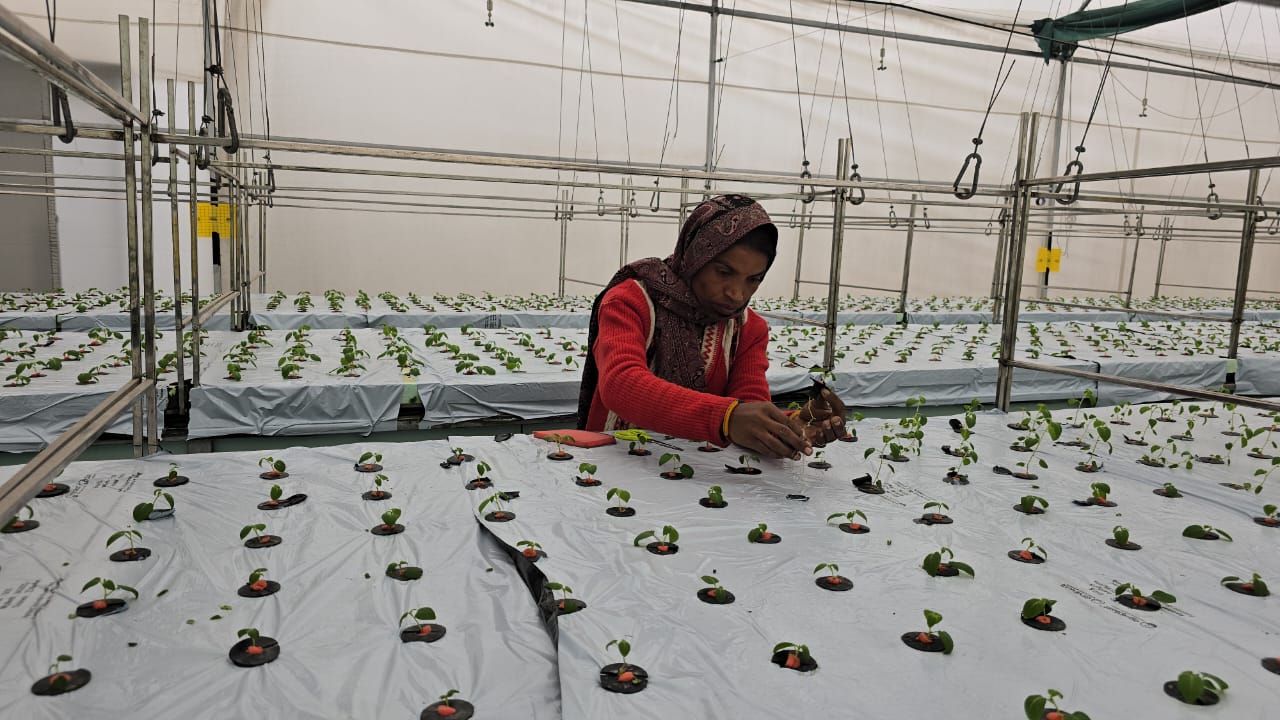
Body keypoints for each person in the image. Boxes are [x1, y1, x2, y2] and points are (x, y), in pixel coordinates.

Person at [577, 194, 845, 460]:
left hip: (698, 471)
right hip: (615, 460)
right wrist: (725, 418)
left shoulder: (748, 329)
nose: (737, 294)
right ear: (696, 256)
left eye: (753, 279)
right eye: (724, 272)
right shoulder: (630, 301)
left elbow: (749, 403)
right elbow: (621, 383)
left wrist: (788, 427)